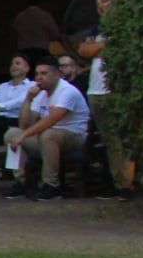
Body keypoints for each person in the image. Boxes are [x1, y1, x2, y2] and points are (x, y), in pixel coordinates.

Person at [69, 0, 130, 194]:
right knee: (109, 139)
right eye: (98, 4)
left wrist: (96, 47)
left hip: (113, 89)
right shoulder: (97, 29)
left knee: (120, 139)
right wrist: (103, 46)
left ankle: (125, 183)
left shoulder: (123, 28)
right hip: (95, 90)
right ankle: (117, 181)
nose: (101, 6)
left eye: (104, 1)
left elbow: (117, 48)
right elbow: (83, 51)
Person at [5, 58, 89, 200]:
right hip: (48, 137)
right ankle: (21, 182)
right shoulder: (41, 92)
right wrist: (28, 99)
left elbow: (51, 120)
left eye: (44, 73)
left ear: (56, 74)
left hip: (74, 137)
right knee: (11, 133)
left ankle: (51, 186)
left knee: (48, 134)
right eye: (37, 74)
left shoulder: (68, 91)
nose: (39, 77)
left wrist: (24, 135)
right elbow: (24, 125)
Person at [0, 52, 36, 157]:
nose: (13, 66)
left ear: (27, 68)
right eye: (12, 64)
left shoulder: (32, 85)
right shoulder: (2, 86)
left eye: (17, 63)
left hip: (17, 120)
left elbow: (20, 101)